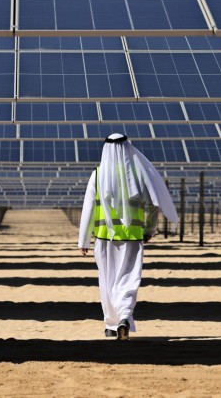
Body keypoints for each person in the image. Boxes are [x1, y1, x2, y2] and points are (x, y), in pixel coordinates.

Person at [78, 133, 178, 340]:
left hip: (105, 238)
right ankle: (125, 316)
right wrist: (149, 230)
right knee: (129, 278)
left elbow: (87, 209)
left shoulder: (97, 175)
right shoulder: (139, 176)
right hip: (133, 237)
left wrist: (83, 239)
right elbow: (152, 206)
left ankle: (111, 324)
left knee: (107, 280)